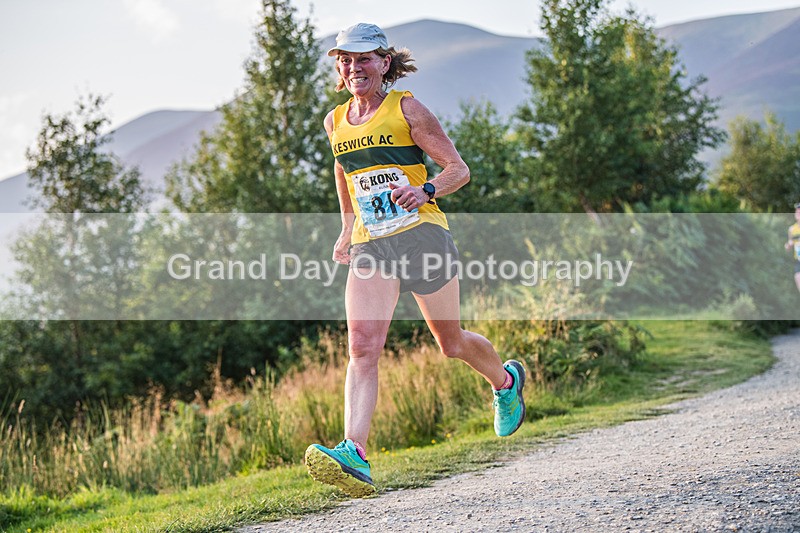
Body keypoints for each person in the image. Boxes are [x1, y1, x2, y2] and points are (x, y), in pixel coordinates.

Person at [304, 22, 526, 498]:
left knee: (449, 342)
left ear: (384, 63)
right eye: (345, 59)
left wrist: (422, 189)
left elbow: (457, 171)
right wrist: (346, 228)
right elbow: (345, 173)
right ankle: (354, 453)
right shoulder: (335, 120)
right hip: (372, 243)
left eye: (363, 58)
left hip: (422, 234)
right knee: (362, 346)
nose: (353, 67)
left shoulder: (406, 109)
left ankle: (505, 381)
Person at [785, 202, 800, 293]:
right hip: (798, 260)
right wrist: (788, 245)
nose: (798, 213)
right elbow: (788, 246)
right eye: (797, 211)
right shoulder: (792, 229)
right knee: (797, 277)